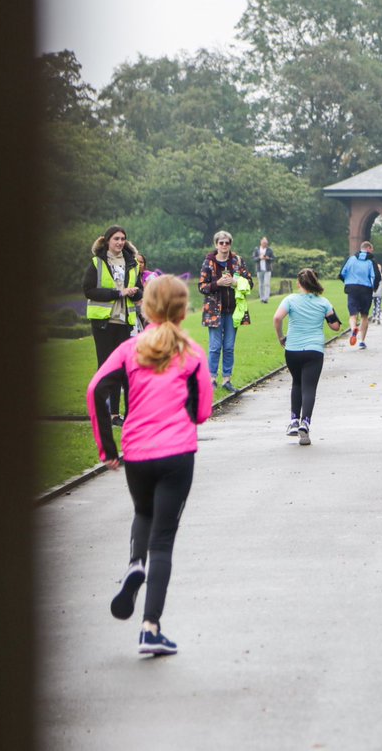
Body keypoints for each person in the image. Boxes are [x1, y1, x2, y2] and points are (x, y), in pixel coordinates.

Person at [87, 275, 214, 656]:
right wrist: (186, 412)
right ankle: (150, 627)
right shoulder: (191, 353)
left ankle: (132, 564)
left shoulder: (129, 349)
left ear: (146, 307)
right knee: (164, 541)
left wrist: (107, 448)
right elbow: (203, 411)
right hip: (177, 453)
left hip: (138, 453)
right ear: (182, 308)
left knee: (143, 513)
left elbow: (97, 390)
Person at [273, 268, 342, 446]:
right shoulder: (324, 302)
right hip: (314, 350)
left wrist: (280, 336)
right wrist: (329, 314)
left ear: (299, 283)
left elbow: (277, 318)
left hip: (293, 349)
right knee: (309, 388)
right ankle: (305, 423)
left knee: (296, 382)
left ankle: (294, 421)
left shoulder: (290, 300)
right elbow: (336, 327)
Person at [83, 224, 143, 425]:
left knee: (122, 369)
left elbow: (140, 290)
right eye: (116, 239)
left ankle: (116, 415)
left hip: (124, 322)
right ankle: (102, 412)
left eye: (122, 239)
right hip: (104, 323)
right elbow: (89, 290)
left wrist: (135, 292)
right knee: (105, 368)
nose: (119, 242)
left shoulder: (132, 263)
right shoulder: (97, 262)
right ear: (107, 240)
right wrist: (118, 293)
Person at [198, 230, 253, 393]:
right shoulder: (208, 262)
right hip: (214, 311)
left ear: (230, 244)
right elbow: (202, 287)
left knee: (229, 346)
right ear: (216, 244)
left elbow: (249, 282)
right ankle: (212, 378)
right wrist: (218, 283)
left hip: (233, 310)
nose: (224, 245)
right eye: (221, 242)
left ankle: (227, 379)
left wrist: (236, 282)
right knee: (215, 346)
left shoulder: (238, 261)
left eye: (227, 242)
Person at [339, 241, 378, 348]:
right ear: (368, 248)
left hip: (352, 288)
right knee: (364, 316)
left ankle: (353, 329)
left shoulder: (350, 259)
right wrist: (374, 287)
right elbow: (376, 276)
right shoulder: (371, 261)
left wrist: (347, 282)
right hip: (365, 289)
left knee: (353, 315)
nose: (372, 251)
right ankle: (362, 341)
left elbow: (341, 273)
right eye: (372, 249)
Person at [251, 237, 276, 303]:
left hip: (267, 269)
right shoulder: (257, 250)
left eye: (266, 243)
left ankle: (266, 298)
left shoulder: (269, 250)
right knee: (261, 284)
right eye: (264, 243)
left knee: (267, 283)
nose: (265, 244)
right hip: (259, 269)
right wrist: (259, 258)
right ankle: (261, 298)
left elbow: (273, 258)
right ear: (261, 242)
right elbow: (254, 259)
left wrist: (268, 258)